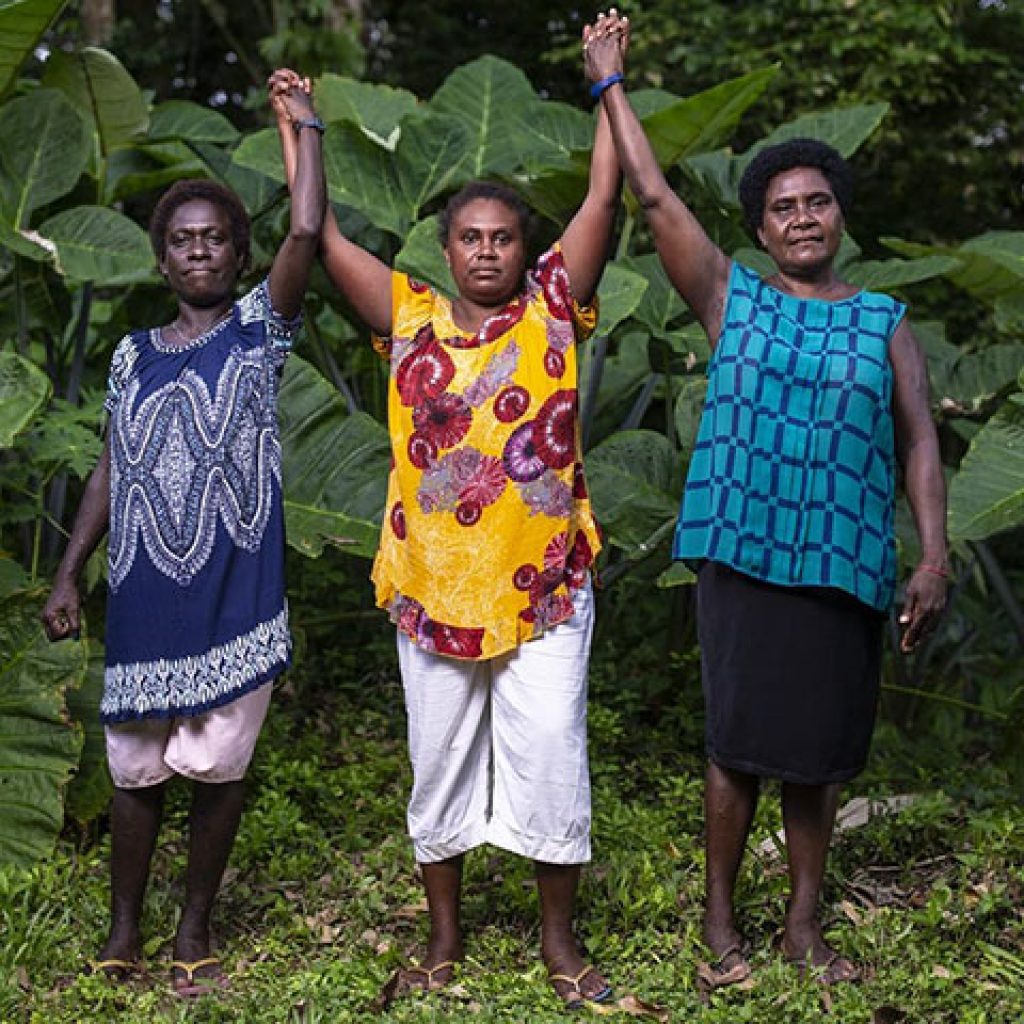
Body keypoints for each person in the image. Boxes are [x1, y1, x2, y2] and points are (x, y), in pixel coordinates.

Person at [583, 13, 948, 987]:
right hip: (744, 552)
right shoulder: (727, 296)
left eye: (816, 202)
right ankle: (718, 927)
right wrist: (607, 81)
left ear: (839, 216)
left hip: (840, 561)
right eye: (781, 206)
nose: (800, 217)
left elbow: (917, 440)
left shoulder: (884, 322)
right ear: (757, 228)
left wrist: (931, 556)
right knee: (738, 745)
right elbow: (654, 194)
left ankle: (801, 928)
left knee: (817, 754)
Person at [270, 16, 625, 1008]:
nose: (484, 251)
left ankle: (560, 948)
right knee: (438, 769)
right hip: (430, 586)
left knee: (551, 756)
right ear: (444, 247)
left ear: (524, 247)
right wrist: (306, 129)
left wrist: (607, 83)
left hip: (544, 585)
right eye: (467, 237)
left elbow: (602, 194)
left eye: (501, 236)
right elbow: (320, 233)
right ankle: (441, 947)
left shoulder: (557, 304)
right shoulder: (408, 315)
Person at [40, 72, 326, 997]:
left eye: (213, 239)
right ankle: (124, 929)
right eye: (181, 240)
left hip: (234, 589)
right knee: (133, 770)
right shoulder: (129, 355)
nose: (198, 251)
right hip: (145, 593)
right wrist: (68, 573)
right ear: (160, 260)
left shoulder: (258, 331)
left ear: (237, 255)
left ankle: (193, 924)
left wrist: (304, 124)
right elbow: (112, 469)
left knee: (217, 765)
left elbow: (308, 231)